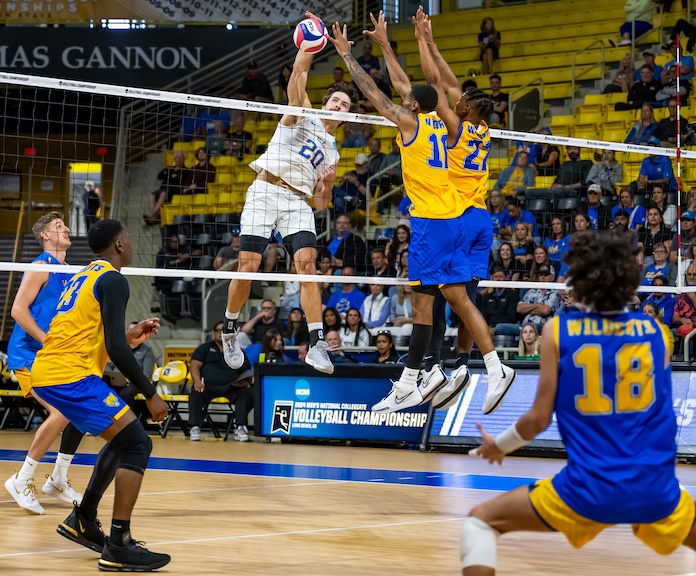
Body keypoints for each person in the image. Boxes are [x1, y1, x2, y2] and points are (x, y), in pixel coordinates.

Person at [465, 230, 696, 576]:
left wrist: (499, 445)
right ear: (628, 279)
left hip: (585, 491)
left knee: (480, 522)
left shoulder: (557, 331)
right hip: (655, 490)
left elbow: (539, 420)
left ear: (579, 281)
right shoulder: (653, 333)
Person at [337, 9, 515, 415]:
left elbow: (395, 91)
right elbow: (416, 85)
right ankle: (445, 369)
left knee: (432, 300)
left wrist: (352, 56)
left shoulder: (423, 121)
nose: (459, 95)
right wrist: (391, 44)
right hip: (463, 215)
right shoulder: (456, 124)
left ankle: (435, 371)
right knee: (452, 295)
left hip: (439, 219)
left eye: (463, 98)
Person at [221, 14, 359, 377]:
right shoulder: (303, 114)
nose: (338, 107)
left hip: (298, 202)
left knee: (308, 268)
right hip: (266, 191)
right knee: (248, 265)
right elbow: (297, 77)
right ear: (326, 104)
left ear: (346, 117)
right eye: (335, 101)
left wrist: (327, 184)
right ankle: (230, 330)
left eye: (344, 106)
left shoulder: (333, 152)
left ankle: (316, 345)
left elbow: (321, 204)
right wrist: (310, 42)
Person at [30, 219, 169, 571]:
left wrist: (130, 336)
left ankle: (84, 519)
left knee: (123, 439)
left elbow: (95, 335)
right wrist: (151, 393)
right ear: (120, 245)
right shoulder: (113, 279)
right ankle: (119, 542)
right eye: (130, 238)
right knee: (139, 444)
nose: (132, 244)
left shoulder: (83, 275)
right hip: (69, 375)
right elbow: (116, 350)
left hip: (51, 371)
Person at [5, 212, 83, 515]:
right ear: (46, 236)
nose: (65, 229)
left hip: (54, 356)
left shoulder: (73, 271)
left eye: (64, 225)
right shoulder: (39, 266)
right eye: (58, 227)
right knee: (62, 411)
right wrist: (46, 339)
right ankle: (21, 479)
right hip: (28, 353)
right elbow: (17, 310)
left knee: (79, 409)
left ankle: (58, 479)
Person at [188, 322, 254, 442]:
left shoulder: (238, 351)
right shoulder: (205, 348)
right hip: (208, 386)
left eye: (224, 331)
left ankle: (240, 427)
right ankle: (195, 427)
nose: (221, 334)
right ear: (214, 334)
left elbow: (248, 372)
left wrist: (245, 383)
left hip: (232, 387)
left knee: (245, 394)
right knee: (196, 392)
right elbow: (194, 366)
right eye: (218, 331)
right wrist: (197, 381)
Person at [145, 150, 189, 225]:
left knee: (163, 194)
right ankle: (154, 217)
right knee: (151, 195)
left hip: (174, 190)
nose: (178, 159)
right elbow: (159, 176)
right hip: (163, 188)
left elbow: (178, 180)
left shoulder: (185, 170)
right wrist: (170, 176)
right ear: (174, 159)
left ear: (184, 159)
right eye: (177, 157)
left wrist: (168, 175)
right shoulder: (169, 168)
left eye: (181, 157)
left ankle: (152, 215)